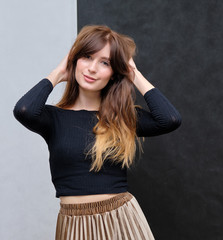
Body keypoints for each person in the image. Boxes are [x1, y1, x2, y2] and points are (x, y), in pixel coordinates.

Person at [13, 25, 181, 240]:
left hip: (120, 220)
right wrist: (58, 73)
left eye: (105, 63)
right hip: (73, 224)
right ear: (73, 60)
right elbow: (23, 110)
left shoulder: (122, 118)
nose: (92, 68)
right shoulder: (53, 118)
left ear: (114, 73)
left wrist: (133, 74)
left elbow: (170, 119)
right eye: (86, 57)